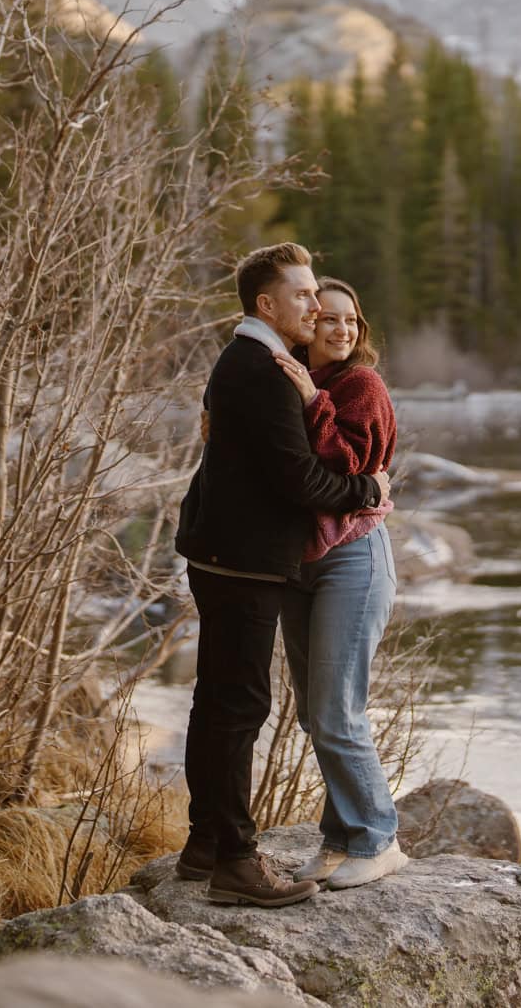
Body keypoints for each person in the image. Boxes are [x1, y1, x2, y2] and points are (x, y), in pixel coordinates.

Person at [172, 243, 388, 908]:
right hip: (244, 560)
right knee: (237, 706)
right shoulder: (266, 369)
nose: (318, 307)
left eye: (322, 298)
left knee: (219, 702)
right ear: (267, 303)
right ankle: (233, 857)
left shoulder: (252, 363)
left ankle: (207, 841)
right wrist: (367, 488)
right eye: (304, 296)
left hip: (229, 554)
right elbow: (299, 480)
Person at [268, 276, 408, 890]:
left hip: (354, 556)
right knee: (315, 713)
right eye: (328, 318)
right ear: (306, 322)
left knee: (336, 710)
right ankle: (338, 839)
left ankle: (379, 838)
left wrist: (309, 399)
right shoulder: (289, 379)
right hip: (300, 562)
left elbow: (353, 462)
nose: (341, 329)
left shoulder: (360, 385)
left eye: (352, 321)